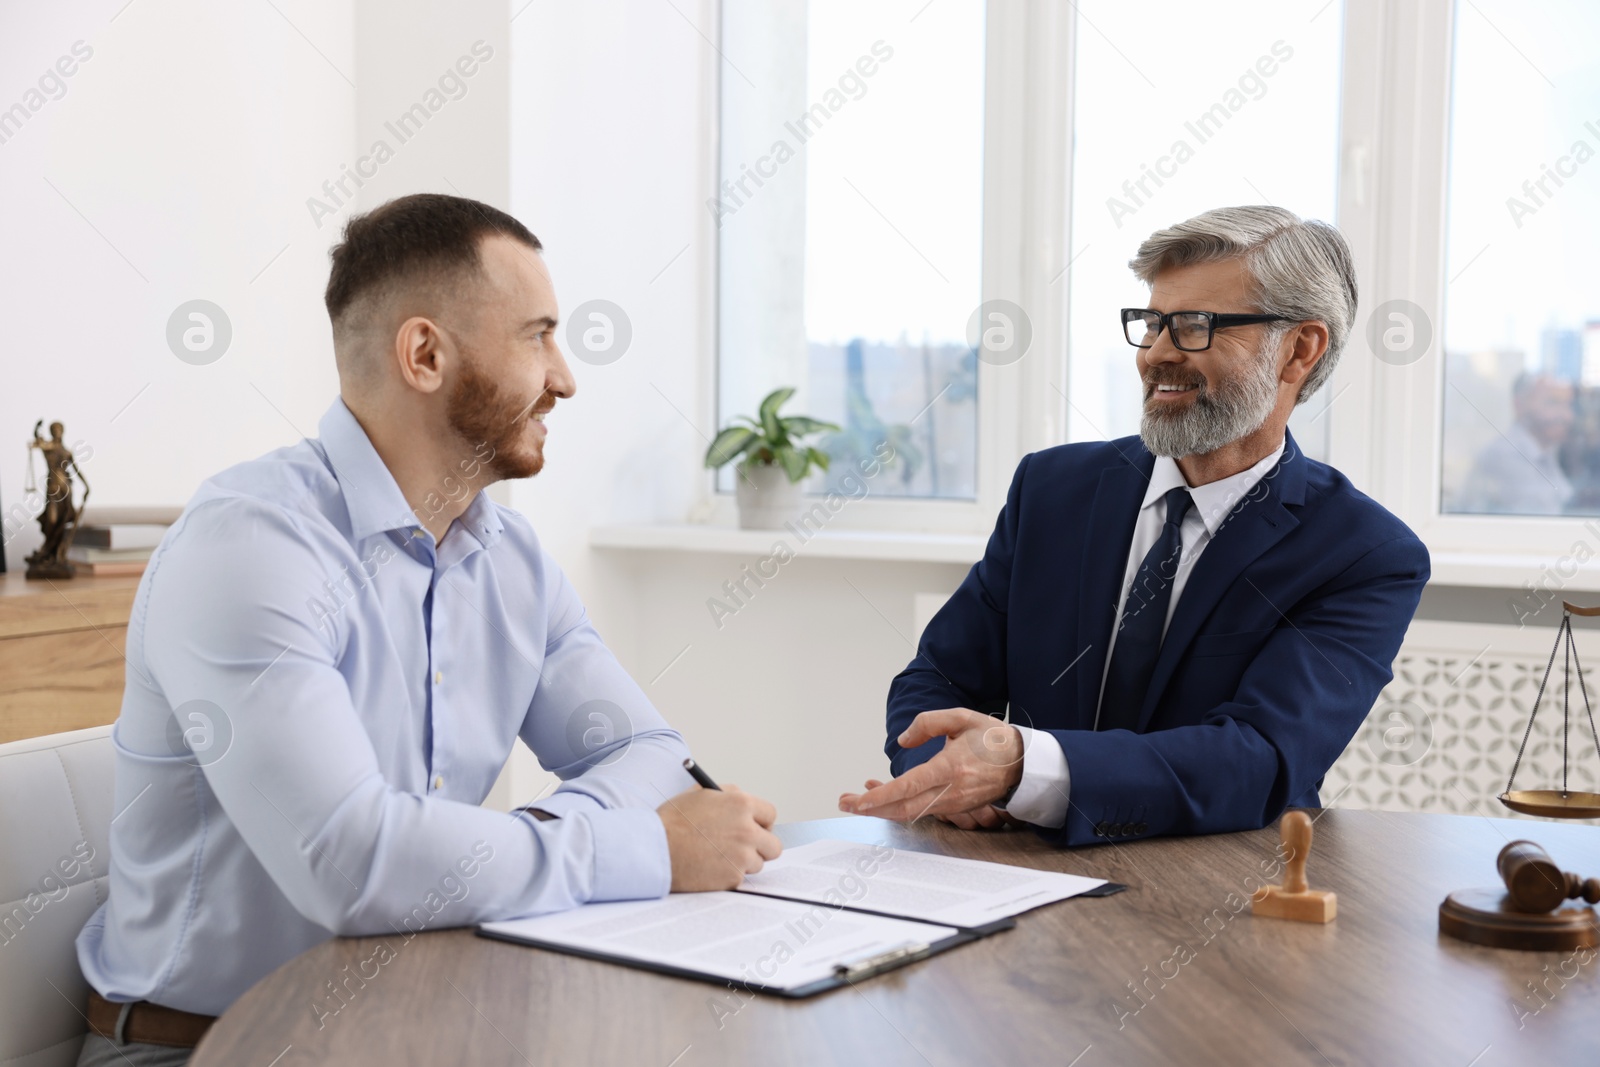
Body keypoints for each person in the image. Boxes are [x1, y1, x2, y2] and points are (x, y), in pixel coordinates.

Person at [74, 194, 781, 1066]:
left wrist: (504, 852)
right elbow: (352, 861)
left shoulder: (513, 559)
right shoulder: (249, 548)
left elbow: (648, 753)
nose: (565, 377)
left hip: (415, 1031)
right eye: (538, 335)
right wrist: (643, 848)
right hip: (205, 1048)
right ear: (425, 354)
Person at [839, 205, 1429, 845]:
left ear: (1299, 349)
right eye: (1152, 323)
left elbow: (1260, 758)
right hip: (1021, 863)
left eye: (1195, 326)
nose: (1157, 354)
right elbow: (941, 675)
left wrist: (1022, 769)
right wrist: (942, 774)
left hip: (1219, 884)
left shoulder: (1365, 553)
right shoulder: (1051, 489)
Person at [1455, 372, 1575, 515]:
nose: (1566, 415)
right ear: (1519, 405)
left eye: (1568, 404)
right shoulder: (1504, 456)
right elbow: (1545, 517)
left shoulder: (1545, 451)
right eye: (1553, 402)